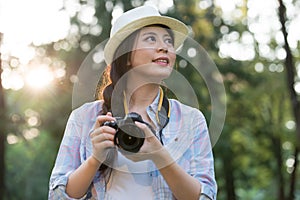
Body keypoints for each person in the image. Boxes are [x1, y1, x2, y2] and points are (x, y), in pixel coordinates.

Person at [48, 5, 217, 200]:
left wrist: (159, 154)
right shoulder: (84, 117)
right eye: (151, 38)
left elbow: (206, 196)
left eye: (168, 40)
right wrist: (95, 159)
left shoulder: (191, 119)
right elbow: (57, 196)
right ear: (126, 56)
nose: (165, 47)